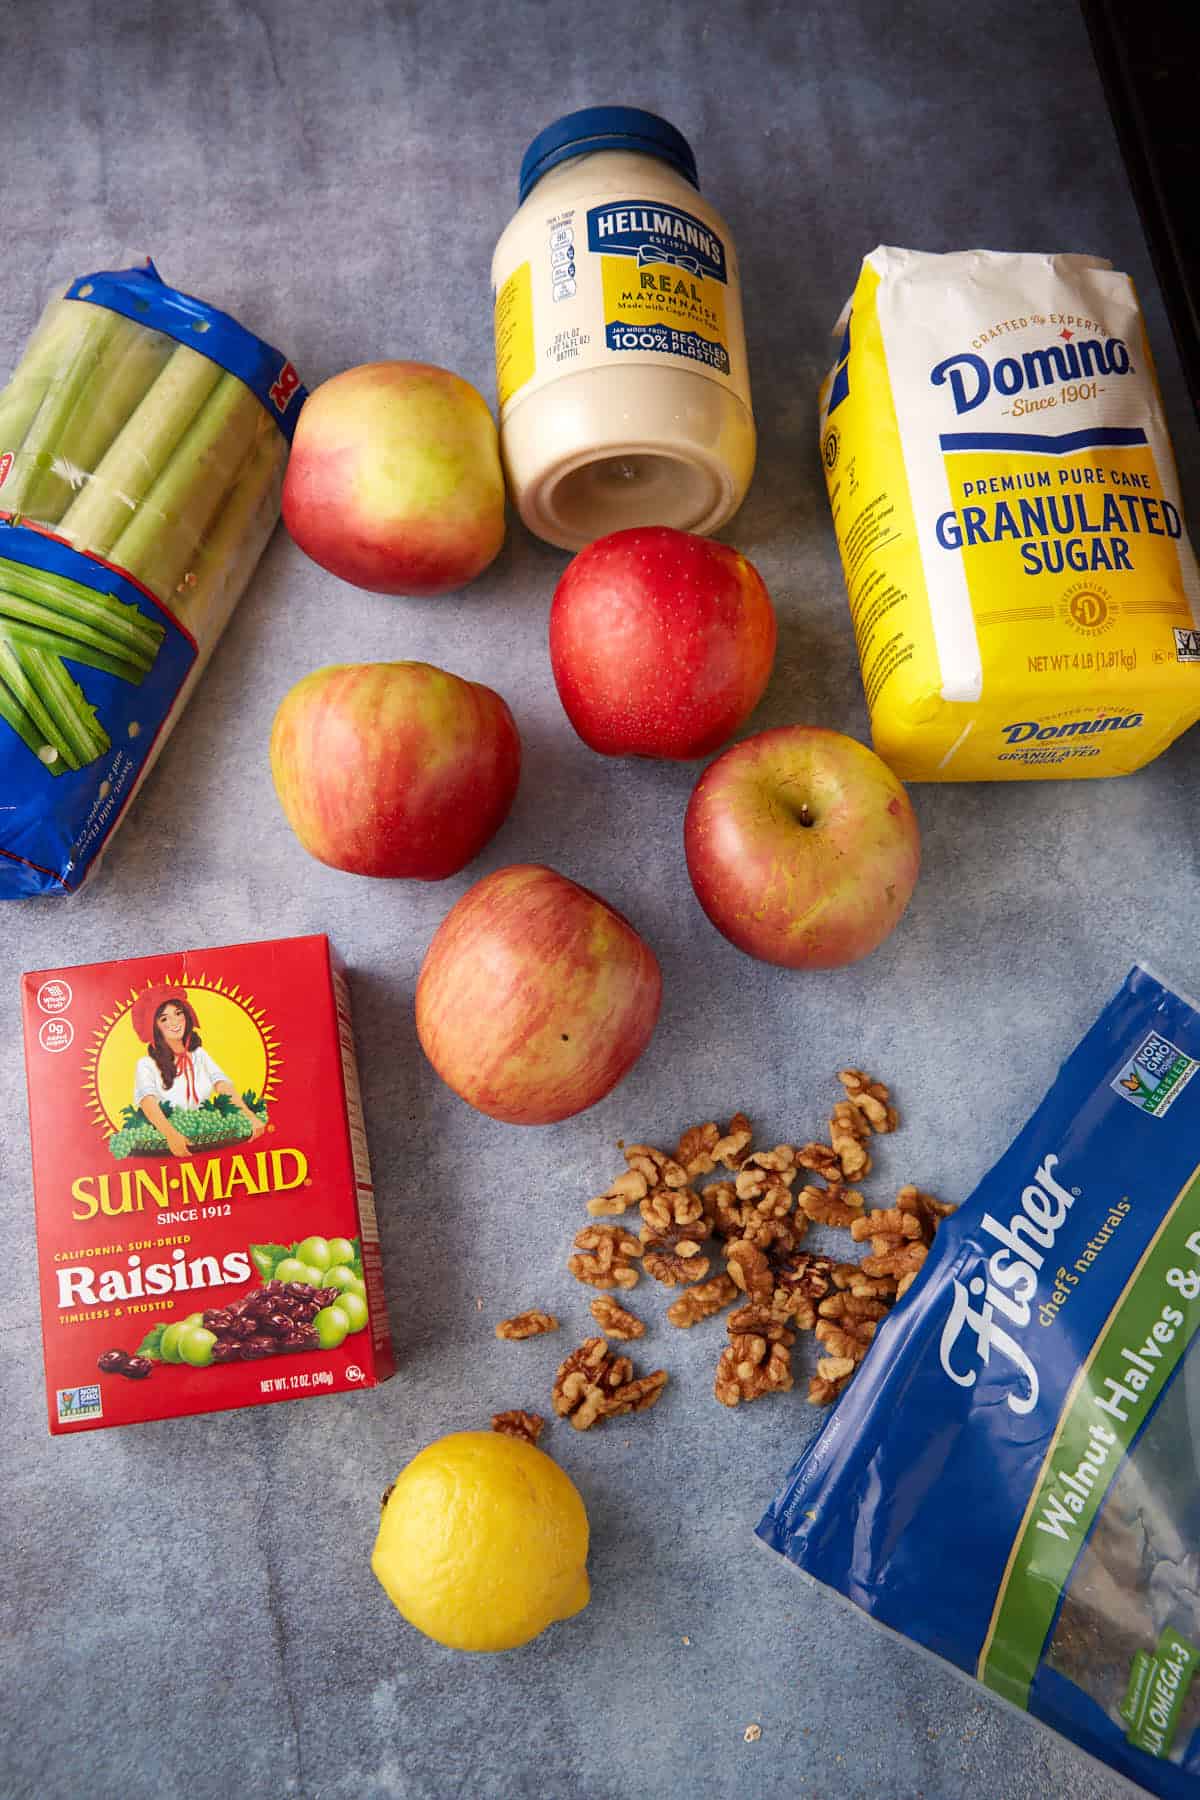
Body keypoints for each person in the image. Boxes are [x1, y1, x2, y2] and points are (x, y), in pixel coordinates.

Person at [130, 985, 266, 1159]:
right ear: (154, 1027)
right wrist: (171, 1136)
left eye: (178, 1013)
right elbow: (147, 1102)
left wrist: (249, 1115)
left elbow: (222, 1085)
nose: (175, 1022)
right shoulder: (146, 1064)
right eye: (164, 1019)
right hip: (171, 1149)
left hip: (205, 1141)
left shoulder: (199, 1055)